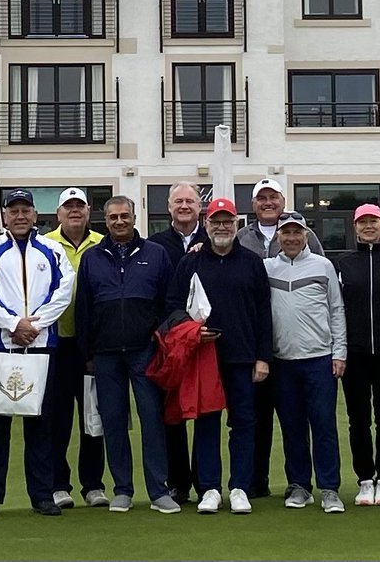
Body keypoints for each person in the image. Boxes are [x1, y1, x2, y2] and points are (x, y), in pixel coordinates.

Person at [0, 188, 74, 517]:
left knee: (41, 423)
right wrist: (14, 324)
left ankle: (42, 494)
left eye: (25, 209)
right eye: (13, 209)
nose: (19, 215)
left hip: (42, 346)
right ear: (4, 215)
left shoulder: (52, 250)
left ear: (34, 214)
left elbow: (64, 290)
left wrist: (35, 325)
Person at [166, 197, 272, 516]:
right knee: (207, 422)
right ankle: (209, 488)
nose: (222, 227)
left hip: (243, 357)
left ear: (236, 225)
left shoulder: (252, 262)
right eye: (216, 221)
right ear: (207, 225)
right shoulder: (191, 262)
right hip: (204, 357)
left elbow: (264, 313)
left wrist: (263, 357)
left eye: (228, 221)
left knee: (243, 423)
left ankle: (239, 487)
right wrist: (191, 331)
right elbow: (172, 306)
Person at [75, 195, 179, 514]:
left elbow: (169, 303)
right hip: (105, 353)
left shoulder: (156, 254)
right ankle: (122, 489)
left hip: (144, 351)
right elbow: (83, 309)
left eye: (125, 216)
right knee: (114, 421)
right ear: (104, 221)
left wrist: (159, 341)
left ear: (135, 218)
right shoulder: (93, 257)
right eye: (113, 218)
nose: (119, 222)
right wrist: (87, 353)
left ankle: (158, 490)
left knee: (152, 419)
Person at [236, 178, 323, 499]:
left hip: (296, 345)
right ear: (253, 204)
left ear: (283, 200)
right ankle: (255, 482)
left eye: (273, 197)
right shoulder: (241, 236)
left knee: (295, 420)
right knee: (255, 418)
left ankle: (299, 482)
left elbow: (320, 277)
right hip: (257, 343)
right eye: (262, 198)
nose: (268, 203)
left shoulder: (305, 234)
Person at [265, 210, 347, 514]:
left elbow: (336, 311)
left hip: (320, 359)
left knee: (324, 426)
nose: (291, 238)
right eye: (286, 232)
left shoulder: (323, 265)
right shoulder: (267, 268)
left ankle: (329, 488)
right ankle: (299, 485)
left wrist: (340, 352)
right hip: (282, 362)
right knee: (292, 427)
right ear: (278, 236)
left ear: (305, 235)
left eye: (296, 232)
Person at [43, 186, 108, 510]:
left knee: (92, 417)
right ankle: (58, 484)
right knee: (57, 418)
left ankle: (93, 484)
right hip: (55, 343)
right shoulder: (45, 245)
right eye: (68, 207)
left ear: (87, 212)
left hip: (90, 346)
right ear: (59, 214)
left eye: (79, 207)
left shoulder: (101, 245)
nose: (74, 212)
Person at [337, 204, 380, 507]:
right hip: (355, 352)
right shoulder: (343, 263)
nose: (368, 226)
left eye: (373, 221)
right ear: (355, 227)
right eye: (362, 222)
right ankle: (365, 480)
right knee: (358, 419)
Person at [147, 181, 208, 503]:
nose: (184, 206)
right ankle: (178, 482)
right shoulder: (155, 245)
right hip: (169, 343)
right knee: (171, 416)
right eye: (178, 201)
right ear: (169, 206)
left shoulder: (213, 239)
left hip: (208, 342)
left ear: (200, 206)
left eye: (190, 201)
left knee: (206, 412)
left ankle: (206, 481)